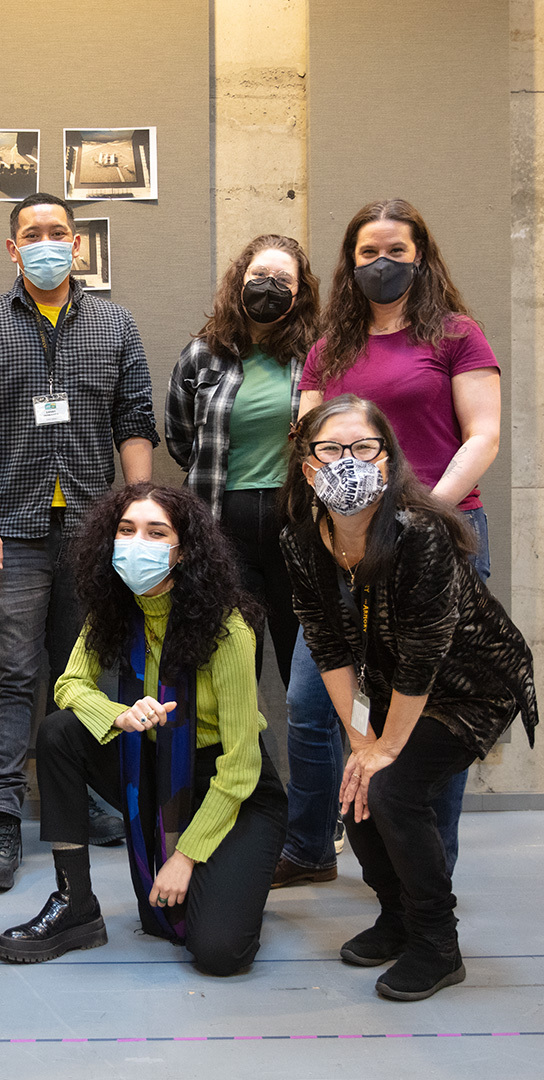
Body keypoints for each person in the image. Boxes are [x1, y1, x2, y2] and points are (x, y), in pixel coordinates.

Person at [275, 199, 502, 888]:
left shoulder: (457, 335)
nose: (382, 263)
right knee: (314, 704)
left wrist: (423, 516)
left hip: (437, 537)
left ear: (421, 256)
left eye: (396, 251)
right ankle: (311, 848)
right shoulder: (328, 348)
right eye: (367, 252)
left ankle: (431, 871)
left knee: (432, 710)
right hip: (343, 542)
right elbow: (306, 443)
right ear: (349, 263)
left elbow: (483, 434)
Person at [280, 396, 535, 1000]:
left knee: (390, 786)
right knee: (358, 785)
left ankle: (437, 943)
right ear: (308, 465)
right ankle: (396, 916)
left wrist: (385, 749)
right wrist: (359, 740)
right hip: (392, 684)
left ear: (387, 463)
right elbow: (328, 645)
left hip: (472, 685)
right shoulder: (300, 541)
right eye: (331, 449)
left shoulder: (421, 533)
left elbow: (424, 655)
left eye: (363, 448)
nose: (348, 461)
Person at [0, 192, 159, 890]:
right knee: (10, 671)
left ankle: (81, 798)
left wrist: (138, 516)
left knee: (82, 674)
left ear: (77, 243)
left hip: (95, 528)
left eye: (57, 232)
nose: (45, 243)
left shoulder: (115, 325)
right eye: (31, 233)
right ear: (12, 248)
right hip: (12, 526)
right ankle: (4, 815)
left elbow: (135, 422)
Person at [0, 484, 287, 976]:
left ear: (184, 550)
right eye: (126, 530)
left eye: (156, 533)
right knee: (60, 732)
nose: (137, 543)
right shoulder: (115, 609)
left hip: (229, 787)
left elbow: (241, 765)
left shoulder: (228, 628)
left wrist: (186, 858)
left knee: (218, 952)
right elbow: (69, 685)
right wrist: (117, 714)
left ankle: (226, 873)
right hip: (151, 765)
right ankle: (75, 903)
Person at [166, 234, 320, 687]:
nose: (268, 286)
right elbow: (179, 437)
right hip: (222, 523)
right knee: (233, 663)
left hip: (296, 522)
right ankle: (242, 757)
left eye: (282, 280)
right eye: (258, 276)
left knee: (307, 666)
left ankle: (315, 757)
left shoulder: (315, 355)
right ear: (239, 281)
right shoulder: (202, 354)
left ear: (299, 293)